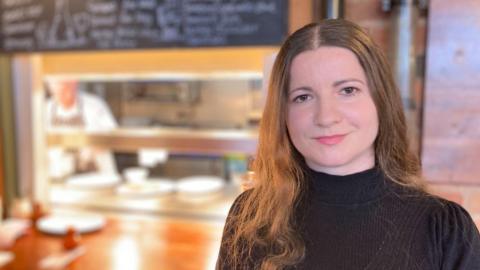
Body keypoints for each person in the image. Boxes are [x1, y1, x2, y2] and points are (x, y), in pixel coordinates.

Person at [216, 19, 480, 270]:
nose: (326, 117)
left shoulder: (444, 229)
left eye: (348, 90)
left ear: (380, 100)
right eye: (303, 97)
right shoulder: (249, 217)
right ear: (282, 115)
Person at [46, 79, 117, 175]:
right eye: (58, 84)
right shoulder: (45, 109)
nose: (63, 89)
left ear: (75, 82)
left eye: (67, 84)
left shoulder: (95, 105)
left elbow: (113, 136)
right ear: (50, 86)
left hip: (98, 177)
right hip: (59, 176)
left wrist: (93, 148)